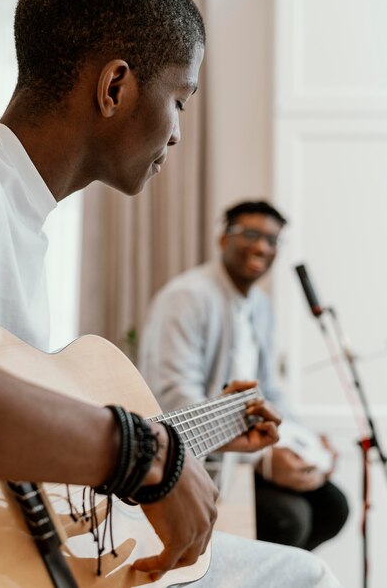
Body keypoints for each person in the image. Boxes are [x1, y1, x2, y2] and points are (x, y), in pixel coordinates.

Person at [0, 0, 343, 586]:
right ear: (115, 86)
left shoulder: (21, 217)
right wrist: (146, 455)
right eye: (180, 99)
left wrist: (189, 436)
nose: (177, 133)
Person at [139, 199, 349, 550]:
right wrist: (262, 459)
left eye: (272, 240)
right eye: (250, 234)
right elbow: (176, 397)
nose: (261, 246)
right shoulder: (186, 298)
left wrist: (309, 443)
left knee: (333, 507)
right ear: (224, 238)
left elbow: (269, 392)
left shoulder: (261, 307)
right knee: (288, 519)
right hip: (201, 459)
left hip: (247, 451)